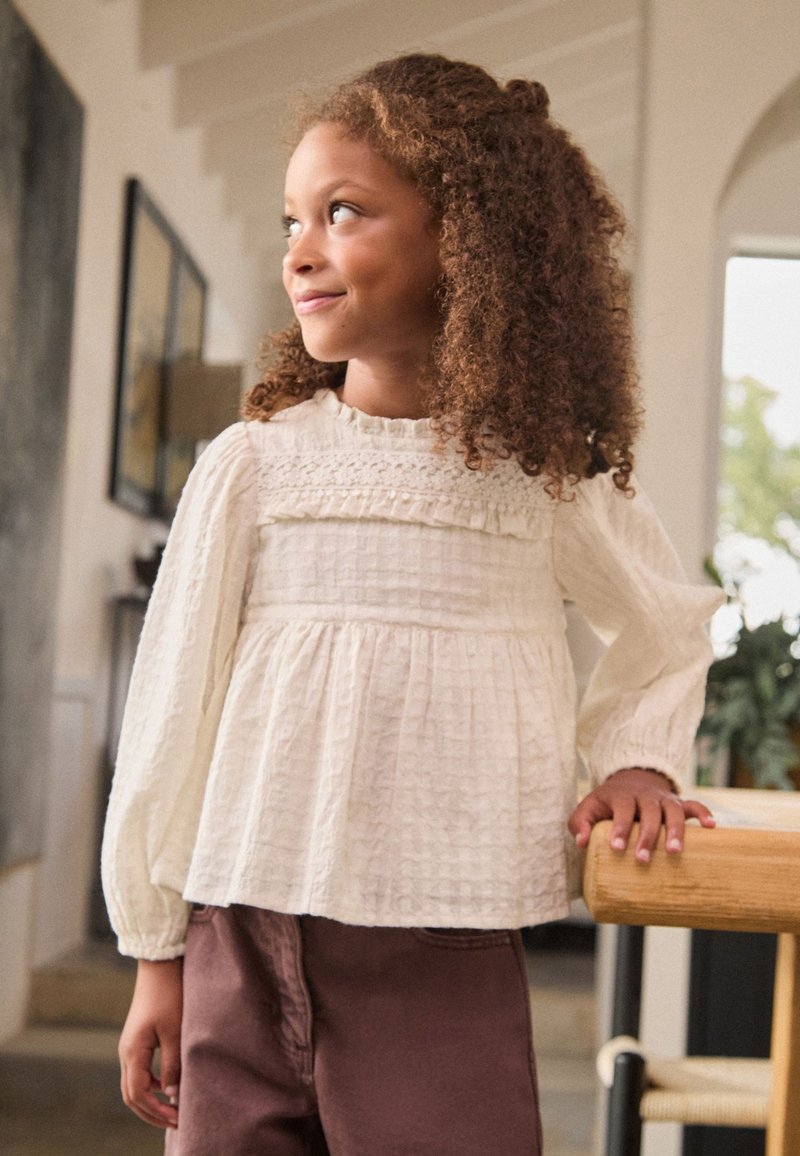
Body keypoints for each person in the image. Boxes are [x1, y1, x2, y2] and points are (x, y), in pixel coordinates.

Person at [101, 52, 724, 1156]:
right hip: (235, 933)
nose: (300, 248)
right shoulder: (254, 465)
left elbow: (664, 616)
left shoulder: (538, 480)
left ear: (465, 241)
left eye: (342, 213)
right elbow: (168, 708)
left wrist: (632, 756)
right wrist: (157, 952)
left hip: (439, 943)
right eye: (292, 218)